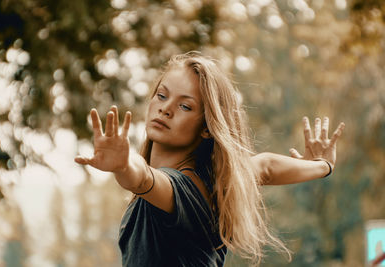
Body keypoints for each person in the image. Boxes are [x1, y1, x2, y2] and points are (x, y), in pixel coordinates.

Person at [75, 52, 345, 266]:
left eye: (185, 106)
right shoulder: (220, 179)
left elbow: (143, 178)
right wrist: (322, 166)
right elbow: (265, 165)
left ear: (207, 126)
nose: (165, 108)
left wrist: (124, 165)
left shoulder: (187, 190)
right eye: (161, 95)